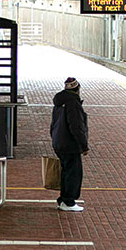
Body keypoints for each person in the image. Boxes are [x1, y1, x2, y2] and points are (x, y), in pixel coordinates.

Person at [50, 77, 89, 212]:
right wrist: (83, 146)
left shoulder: (59, 102)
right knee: (73, 173)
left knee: (66, 171)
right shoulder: (73, 103)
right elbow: (76, 127)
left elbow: (53, 124)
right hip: (69, 144)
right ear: (77, 89)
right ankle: (68, 201)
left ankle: (63, 200)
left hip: (59, 142)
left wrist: (54, 139)